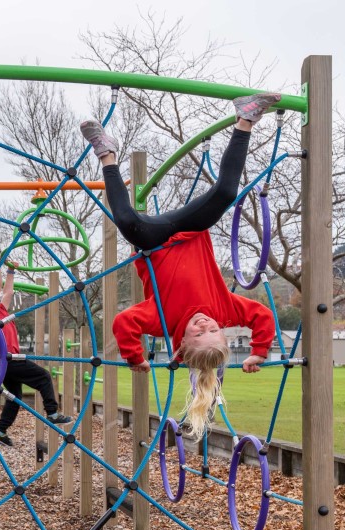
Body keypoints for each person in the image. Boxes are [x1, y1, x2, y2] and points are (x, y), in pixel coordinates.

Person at [80, 92, 280, 439]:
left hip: (153, 239)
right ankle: (246, 119)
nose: (204, 325)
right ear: (224, 331)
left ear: (180, 344)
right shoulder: (228, 310)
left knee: (126, 221)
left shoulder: (161, 321)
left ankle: (107, 154)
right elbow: (262, 318)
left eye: (197, 334)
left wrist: (134, 356)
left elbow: (123, 322)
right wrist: (259, 352)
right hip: (191, 229)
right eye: (212, 331)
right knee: (225, 193)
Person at [0, 261, 72, 447]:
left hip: (2, 361)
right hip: (6, 358)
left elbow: (8, 292)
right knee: (43, 377)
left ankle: (1, 431)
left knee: (14, 396)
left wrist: (11, 270)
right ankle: (52, 413)